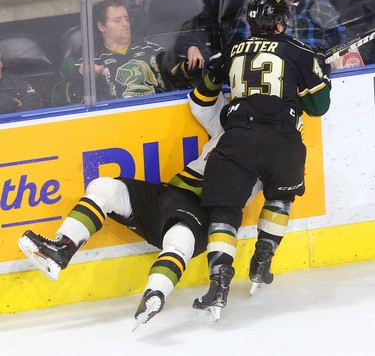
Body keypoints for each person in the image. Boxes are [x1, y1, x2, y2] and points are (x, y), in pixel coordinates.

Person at [18, 81, 251, 328]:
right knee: (104, 188)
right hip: (167, 196)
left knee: (179, 240)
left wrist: (260, 255)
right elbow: (200, 104)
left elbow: (276, 198)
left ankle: (155, 294)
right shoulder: (228, 127)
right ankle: (62, 249)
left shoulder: (271, 153)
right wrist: (212, 72)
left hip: (202, 212)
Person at [192, 0, 331, 319]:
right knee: (280, 199)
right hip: (283, 141)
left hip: (239, 138)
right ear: (282, 22)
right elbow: (318, 107)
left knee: (224, 212)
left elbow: (203, 94)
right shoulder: (300, 52)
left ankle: (219, 280)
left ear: (252, 23)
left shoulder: (230, 52)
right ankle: (263, 256)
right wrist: (321, 75)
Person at [52, 0, 206, 106]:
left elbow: (179, 71)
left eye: (126, 19)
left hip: (157, 116)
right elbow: (65, 69)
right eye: (117, 20)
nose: (125, 24)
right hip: (114, 123)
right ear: (101, 26)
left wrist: (192, 54)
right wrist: (81, 70)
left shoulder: (150, 50)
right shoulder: (93, 56)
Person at [244, 0, 364, 68]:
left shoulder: (320, 4)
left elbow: (342, 42)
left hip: (317, 74)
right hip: (276, 74)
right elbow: (245, 48)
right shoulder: (259, 7)